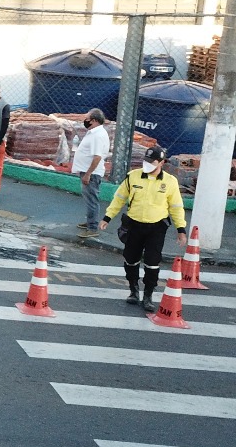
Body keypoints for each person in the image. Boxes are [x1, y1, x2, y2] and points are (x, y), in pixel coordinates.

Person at [98, 146, 187, 313]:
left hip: (156, 228)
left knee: (152, 263)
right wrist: (107, 217)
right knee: (130, 259)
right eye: (146, 161)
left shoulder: (169, 182)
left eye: (152, 162)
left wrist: (181, 229)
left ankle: (148, 295)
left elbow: (176, 207)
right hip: (134, 225)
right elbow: (119, 199)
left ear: (161, 163)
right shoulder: (133, 177)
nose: (147, 164)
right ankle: (133, 290)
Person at [73, 108, 110, 238]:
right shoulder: (93, 133)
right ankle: (90, 222)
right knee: (89, 199)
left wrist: (88, 174)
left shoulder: (97, 135)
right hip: (88, 171)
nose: (85, 121)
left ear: (94, 120)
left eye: (87, 119)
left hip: (91, 173)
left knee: (92, 200)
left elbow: (97, 157)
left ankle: (92, 227)